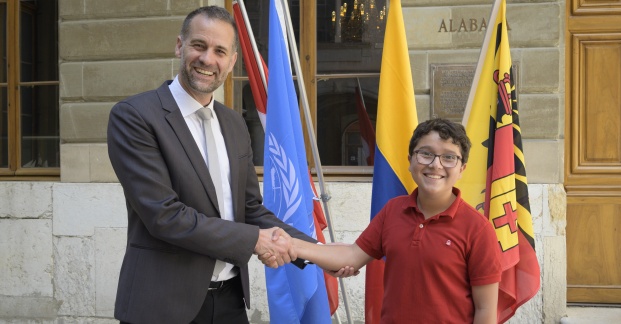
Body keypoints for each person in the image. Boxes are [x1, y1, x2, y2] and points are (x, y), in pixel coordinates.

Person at [107, 6, 350, 324]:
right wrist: (255, 241)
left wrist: (317, 252)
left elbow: (251, 210)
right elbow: (165, 216)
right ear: (180, 46)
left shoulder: (234, 124)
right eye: (199, 46)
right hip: (161, 306)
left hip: (230, 303)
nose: (208, 60)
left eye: (220, 51)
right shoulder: (135, 117)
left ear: (232, 61)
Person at [292, 118, 503, 324]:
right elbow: (352, 255)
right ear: (410, 160)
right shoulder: (393, 210)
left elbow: (485, 310)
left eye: (449, 157)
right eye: (426, 154)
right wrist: (290, 244)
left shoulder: (477, 229)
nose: (435, 165)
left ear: (461, 169)